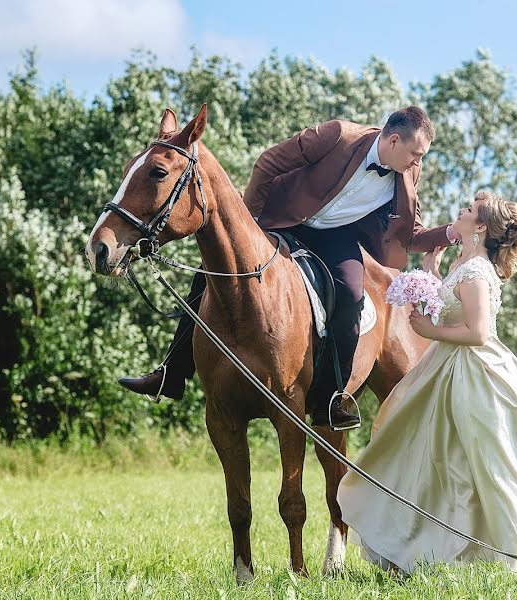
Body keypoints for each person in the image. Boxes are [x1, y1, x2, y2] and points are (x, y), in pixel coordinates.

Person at [118, 106, 460, 430]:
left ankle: (331, 397)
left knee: (353, 296)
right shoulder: (338, 135)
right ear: (394, 140)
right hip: (282, 218)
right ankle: (171, 373)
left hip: (335, 236)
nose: (419, 162)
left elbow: (410, 235)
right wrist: (249, 221)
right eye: (416, 153)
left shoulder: (407, 171)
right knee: (210, 269)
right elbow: (269, 162)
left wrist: (448, 233)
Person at [337, 191, 517, 574]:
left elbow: (479, 332)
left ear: (480, 226)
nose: (461, 211)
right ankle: (425, 542)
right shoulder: (464, 261)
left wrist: (429, 330)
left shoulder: (478, 272)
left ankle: (502, 549)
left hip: (475, 373)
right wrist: (432, 275)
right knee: (430, 455)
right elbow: (452, 306)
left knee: (477, 461)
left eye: (469, 210)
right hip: (446, 367)